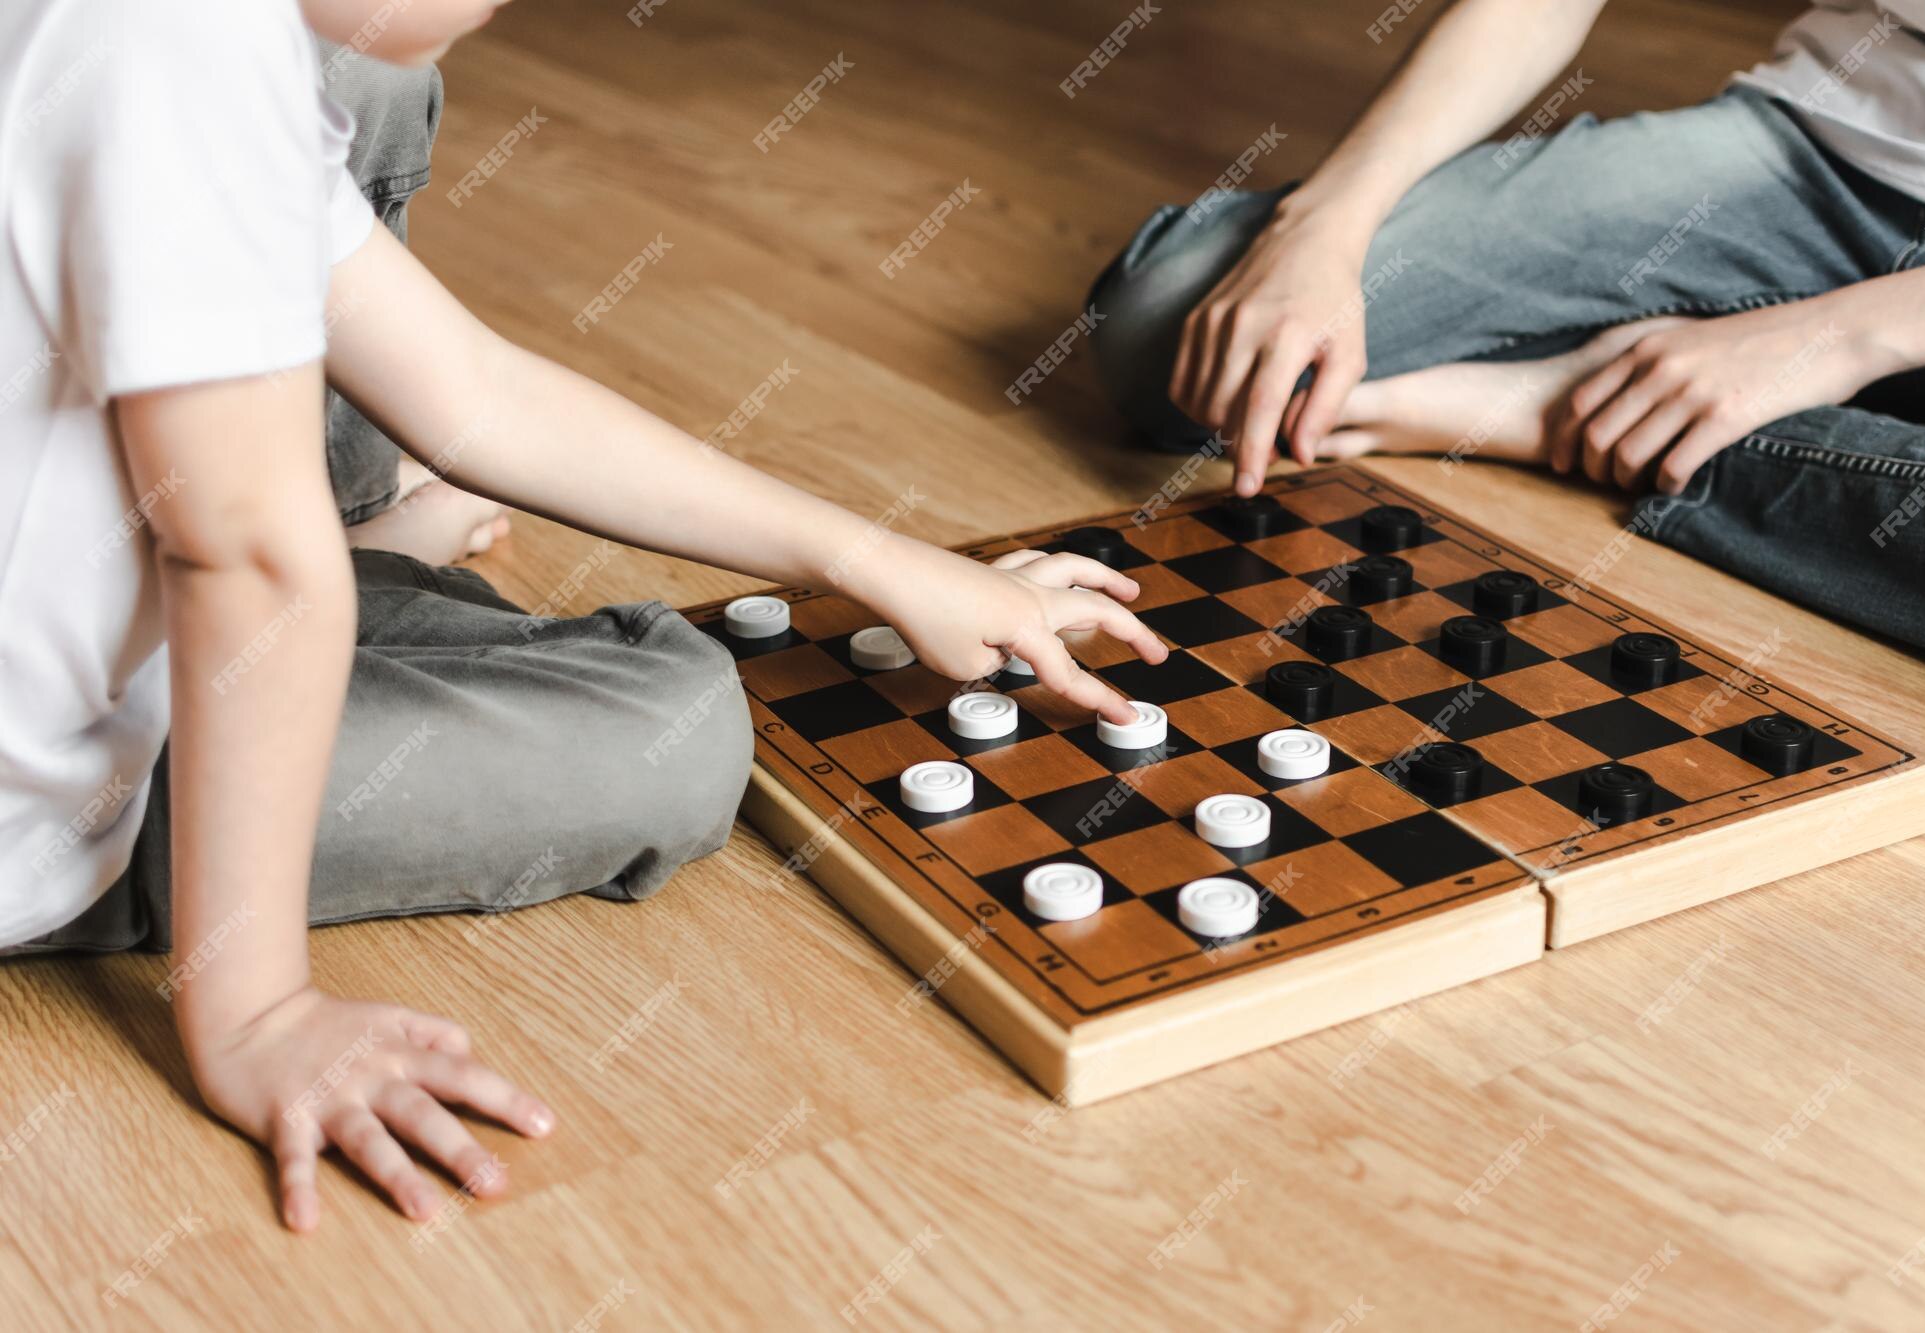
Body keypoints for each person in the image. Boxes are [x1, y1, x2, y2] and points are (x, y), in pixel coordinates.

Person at [0, 0, 1167, 1232]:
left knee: (368, 92)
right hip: (46, 806)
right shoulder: (182, 57)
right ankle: (284, 651)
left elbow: (469, 391)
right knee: (672, 724)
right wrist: (256, 1011)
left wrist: (876, 558)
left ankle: (338, 550)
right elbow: (241, 566)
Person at [1089, 0, 1925, 667]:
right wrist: (1324, 223)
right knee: (1168, 336)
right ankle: (1673, 401)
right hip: (1827, 145)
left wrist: (1834, 341)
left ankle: (1569, 408)